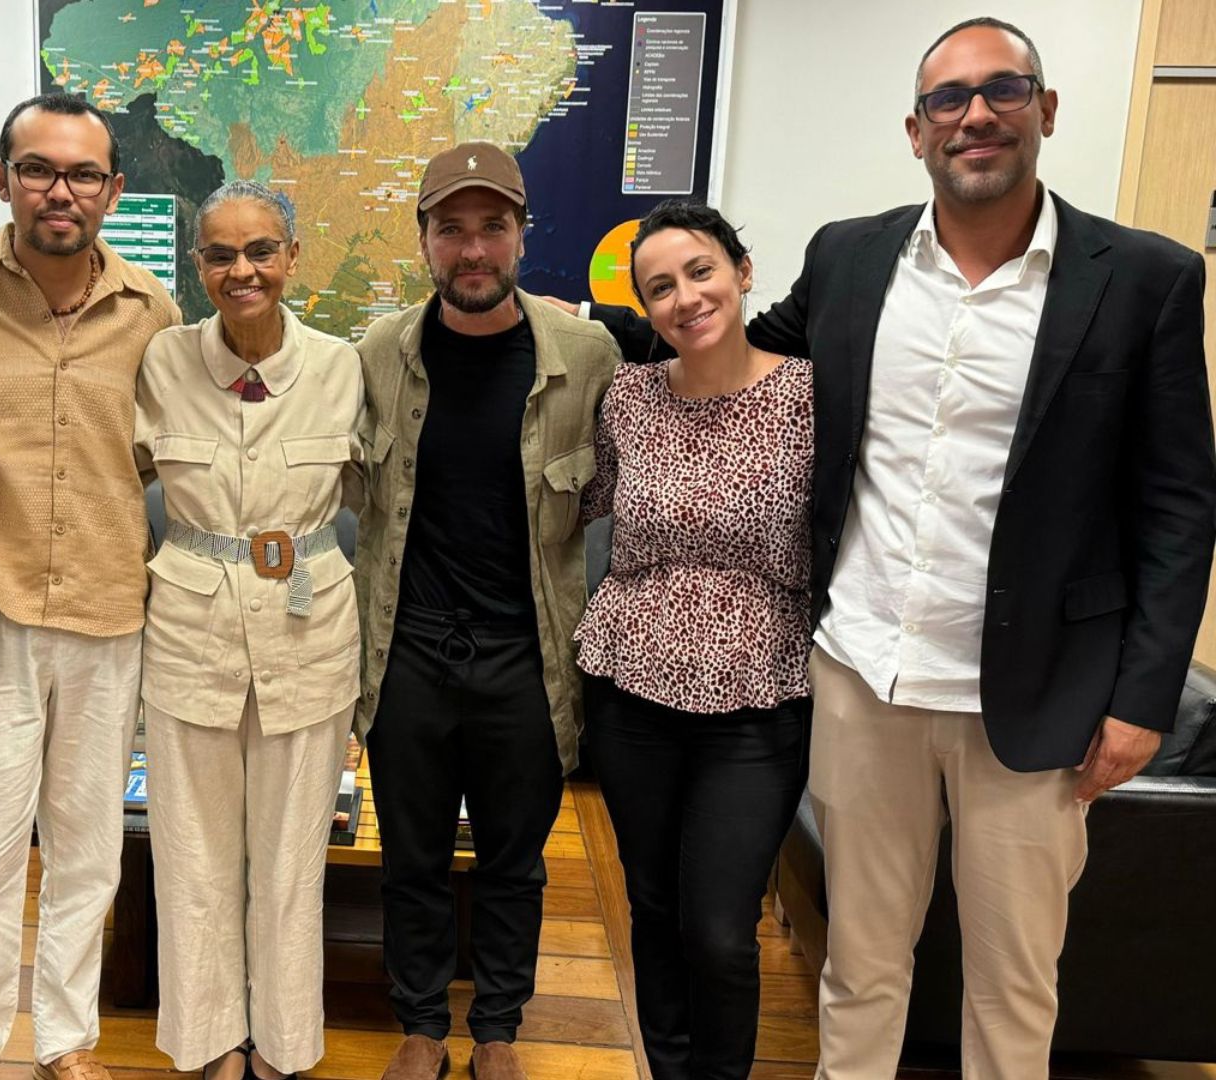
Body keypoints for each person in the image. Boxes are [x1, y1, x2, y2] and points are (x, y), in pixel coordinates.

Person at [586, 18, 1215, 1078]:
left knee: (1013, 978)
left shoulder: (1142, 278)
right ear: (917, 131)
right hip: (862, 678)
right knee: (863, 963)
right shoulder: (852, 257)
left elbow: (1179, 506)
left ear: (1045, 109)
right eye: (948, 100)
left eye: (1003, 89)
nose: (976, 115)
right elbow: (732, 350)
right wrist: (576, 328)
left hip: (1034, 696)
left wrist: (1143, 697)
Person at [0, 92, 181, 1080]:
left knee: (88, 850)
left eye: (81, 174)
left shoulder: (151, 311)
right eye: (37, 169)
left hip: (109, 609)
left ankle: (66, 1040)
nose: (58, 191)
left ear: (113, 189)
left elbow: (157, 453)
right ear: (4, 180)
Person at [354, 141, 621, 1080]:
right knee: (412, 858)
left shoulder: (585, 356)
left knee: (515, 861)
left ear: (522, 234)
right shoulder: (379, 354)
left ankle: (498, 1030)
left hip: (527, 656)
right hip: (410, 651)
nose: (473, 250)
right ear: (423, 238)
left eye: (493, 227)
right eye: (451, 229)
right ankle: (423, 1027)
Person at [576, 200, 812, 1080]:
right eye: (660, 288)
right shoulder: (630, 398)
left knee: (719, 929)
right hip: (629, 692)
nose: (685, 298)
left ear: (743, 273)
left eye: (701, 271)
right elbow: (578, 504)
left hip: (758, 702)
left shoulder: (810, 397)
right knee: (653, 907)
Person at [134, 180, 364, 1080]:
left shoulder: (343, 368)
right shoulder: (160, 362)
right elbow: (113, 476)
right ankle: (210, 1042)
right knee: (191, 856)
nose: (243, 271)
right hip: (189, 629)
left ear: (292, 257)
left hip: (309, 628)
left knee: (291, 860)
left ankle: (283, 1045)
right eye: (221, 254)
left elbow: (383, 494)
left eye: (261, 250)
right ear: (198, 266)